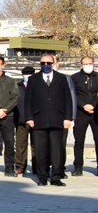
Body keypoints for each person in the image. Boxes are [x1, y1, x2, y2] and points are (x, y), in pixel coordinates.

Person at [24, 53, 74, 186]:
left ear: (53, 64)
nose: (45, 65)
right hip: (38, 119)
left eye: (48, 63)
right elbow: (28, 100)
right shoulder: (33, 79)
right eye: (42, 63)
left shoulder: (61, 78)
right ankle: (42, 177)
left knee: (57, 150)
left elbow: (67, 99)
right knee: (40, 150)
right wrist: (29, 117)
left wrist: (68, 117)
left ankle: (56, 177)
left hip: (58, 119)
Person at [70, 56, 96, 176]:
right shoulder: (75, 78)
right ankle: (78, 166)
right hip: (81, 112)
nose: (88, 65)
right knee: (79, 140)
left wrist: (93, 105)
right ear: (81, 65)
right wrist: (84, 105)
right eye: (85, 64)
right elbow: (73, 95)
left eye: (90, 63)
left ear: (93, 63)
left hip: (96, 112)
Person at [14, 66, 35, 175]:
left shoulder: (38, 86)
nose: (27, 76)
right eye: (25, 74)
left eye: (30, 74)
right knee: (20, 145)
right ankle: (20, 166)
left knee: (36, 145)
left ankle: (37, 166)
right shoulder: (17, 86)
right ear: (22, 75)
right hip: (21, 119)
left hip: (36, 120)